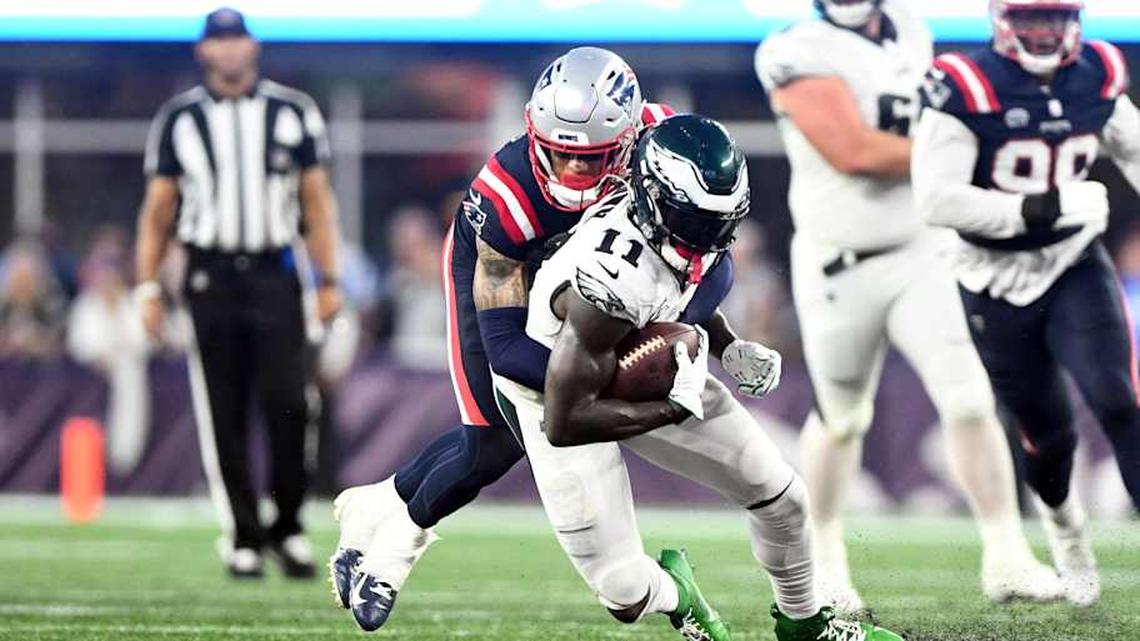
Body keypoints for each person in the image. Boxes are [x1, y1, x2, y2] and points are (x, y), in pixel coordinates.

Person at [497, 114, 900, 641]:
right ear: (653, 200)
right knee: (625, 591)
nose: (709, 240)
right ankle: (679, 593)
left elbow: (677, 289)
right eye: (696, 224)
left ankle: (805, 624)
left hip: (648, 360)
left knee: (784, 498)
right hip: (556, 394)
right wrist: (672, 406)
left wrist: (729, 345)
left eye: (719, 224)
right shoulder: (609, 284)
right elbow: (565, 420)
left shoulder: (687, 228)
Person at [329, 47, 675, 631]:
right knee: (494, 438)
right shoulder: (507, 198)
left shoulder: (660, 146)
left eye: (587, 159)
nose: (569, 173)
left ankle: (377, 504)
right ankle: (390, 556)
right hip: (502, 273)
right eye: (558, 153)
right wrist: (599, 378)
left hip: (577, 280)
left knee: (497, 441)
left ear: (624, 142)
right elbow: (508, 354)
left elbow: (710, 248)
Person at [755, 0, 1058, 611]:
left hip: (923, 250)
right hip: (841, 260)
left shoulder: (912, 33)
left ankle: (1007, 557)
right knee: (842, 417)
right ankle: (827, 564)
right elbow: (855, 152)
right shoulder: (794, 47)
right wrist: (977, 151)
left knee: (970, 396)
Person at [912, 0, 1140, 607]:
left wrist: (1057, 215)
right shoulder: (966, 83)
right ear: (1001, 21)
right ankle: (1067, 535)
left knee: (1119, 399)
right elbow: (935, 199)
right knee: (1050, 436)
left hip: (1072, 262)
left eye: (1056, 18)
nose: (1045, 31)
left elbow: (1135, 149)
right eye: (1032, 18)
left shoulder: (1099, 71)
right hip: (991, 274)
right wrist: (1030, 209)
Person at [134, 7, 342, 579]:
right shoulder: (179, 119)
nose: (228, 51)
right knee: (222, 411)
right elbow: (157, 212)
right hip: (211, 274)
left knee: (290, 402)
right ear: (203, 51)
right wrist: (148, 286)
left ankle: (290, 525)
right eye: (218, 41)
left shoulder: (293, 112)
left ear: (253, 46)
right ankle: (244, 536)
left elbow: (317, 202)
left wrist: (328, 279)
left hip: (278, 271)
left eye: (237, 39)